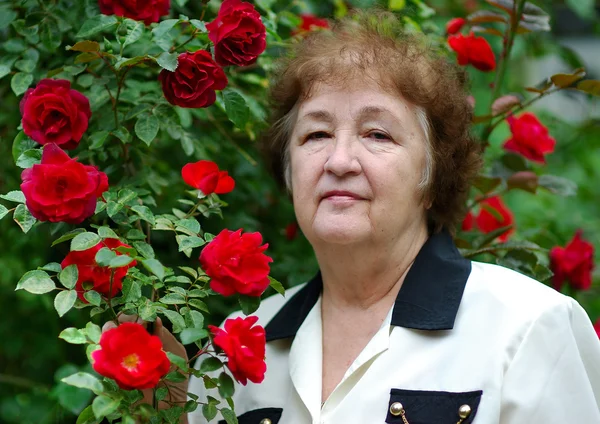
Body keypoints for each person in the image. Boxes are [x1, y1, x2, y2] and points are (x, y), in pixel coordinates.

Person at [141, 10, 600, 423]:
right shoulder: (237, 352)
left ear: (431, 176)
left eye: (377, 134)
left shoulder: (527, 327)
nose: (339, 160)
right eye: (316, 134)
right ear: (289, 171)